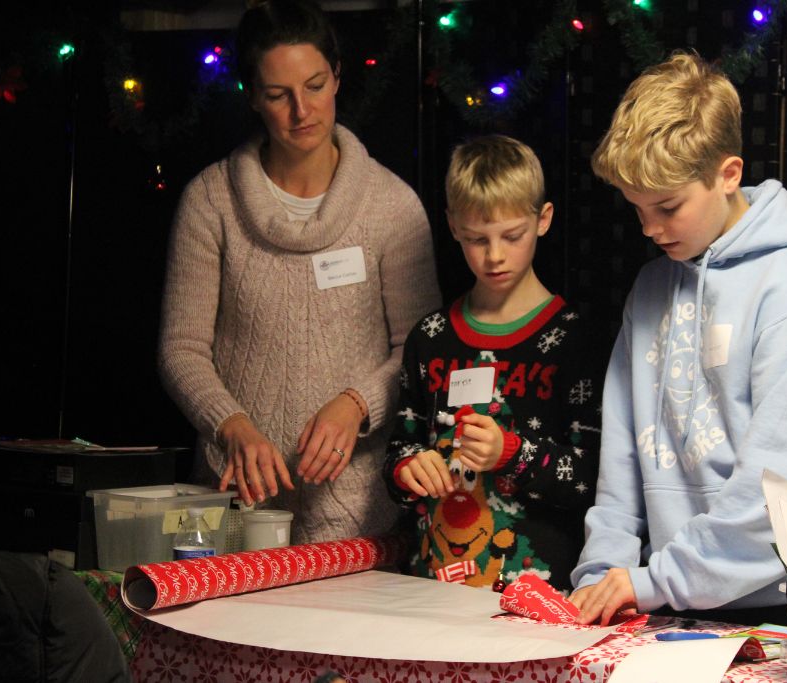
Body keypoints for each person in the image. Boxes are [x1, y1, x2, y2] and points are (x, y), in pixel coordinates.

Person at [569, 52, 787, 625]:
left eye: (667, 207)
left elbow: (781, 493)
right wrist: (601, 574)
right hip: (673, 602)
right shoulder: (651, 286)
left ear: (728, 174)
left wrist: (652, 581)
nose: (650, 229)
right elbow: (621, 464)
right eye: (636, 209)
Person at [158, 0, 440, 545]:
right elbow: (181, 347)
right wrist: (231, 425)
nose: (301, 110)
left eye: (314, 85)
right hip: (233, 504)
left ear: (338, 76)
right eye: (277, 95)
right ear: (251, 97)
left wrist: (356, 404)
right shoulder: (210, 201)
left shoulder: (392, 206)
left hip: (357, 512)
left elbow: (421, 348)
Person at [383, 135, 603, 591]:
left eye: (512, 236)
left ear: (543, 220)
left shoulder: (576, 340)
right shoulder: (431, 338)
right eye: (477, 239)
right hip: (432, 586)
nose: (495, 255)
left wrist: (512, 453)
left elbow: (592, 478)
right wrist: (409, 471)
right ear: (453, 227)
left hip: (540, 594)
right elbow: (399, 450)